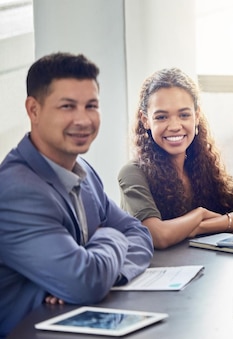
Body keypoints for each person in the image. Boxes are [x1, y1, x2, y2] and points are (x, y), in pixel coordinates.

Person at [0, 52, 154, 337]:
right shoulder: (16, 190)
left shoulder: (82, 170)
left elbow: (139, 234)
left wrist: (105, 273)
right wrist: (108, 237)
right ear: (33, 110)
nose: (83, 119)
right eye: (68, 106)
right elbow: (85, 282)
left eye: (91, 105)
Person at [118, 68, 233, 249]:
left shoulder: (203, 166)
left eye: (184, 115)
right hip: (160, 273)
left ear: (196, 116)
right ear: (146, 120)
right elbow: (158, 236)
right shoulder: (134, 173)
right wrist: (199, 215)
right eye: (161, 117)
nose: (175, 126)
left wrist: (203, 226)